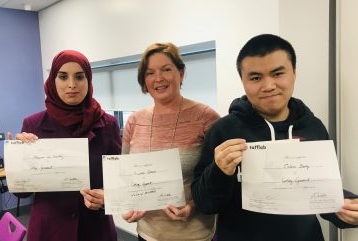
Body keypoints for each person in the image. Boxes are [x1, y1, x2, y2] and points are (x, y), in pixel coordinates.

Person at [191, 34, 358, 241]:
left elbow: (322, 193)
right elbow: (205, 204)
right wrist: (219, 171)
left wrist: (348, 210)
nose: (268, 85)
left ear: (294, 73)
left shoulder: (313, 127)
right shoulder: (223, 130)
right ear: (243, 81)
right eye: (255, 78)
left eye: (278, 73)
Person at [10, 50, 121, 241]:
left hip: (95, 229)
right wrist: (18, 162)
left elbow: (119, 180)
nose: (71, 84)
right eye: (63, 77)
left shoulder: (108, 124)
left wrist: (106, 198)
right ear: (53, 81)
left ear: (89, 81)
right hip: (49, 230)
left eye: (79, 77)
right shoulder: (33, 125)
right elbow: (22, 192)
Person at [121, 43, 220, 241]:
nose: (158, 79)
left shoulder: (205, 117)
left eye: (166, 69)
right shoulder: (135, 120)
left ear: (181, 73)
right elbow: (126, 174)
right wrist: (127, 204)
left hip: (194, 233)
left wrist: (193, 206)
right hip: (147, 232)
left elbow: (218, 178)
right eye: (150, 73)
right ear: (144, 80)